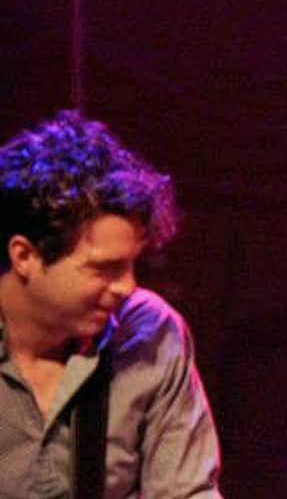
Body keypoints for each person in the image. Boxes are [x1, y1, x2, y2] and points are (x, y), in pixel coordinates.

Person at [0, 111, 222, 497]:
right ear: (25, 256)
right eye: (104, 268)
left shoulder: (151, 332)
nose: (128, 286)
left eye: (132, 264)